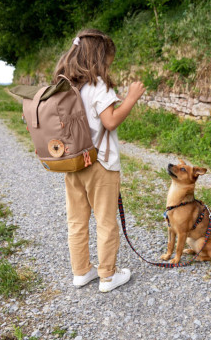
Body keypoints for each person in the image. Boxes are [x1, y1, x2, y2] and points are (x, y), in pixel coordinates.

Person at [53, 29, 145, 292]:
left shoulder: (65, 85)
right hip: (99, 163)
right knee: (105, 221)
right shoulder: (97, 86)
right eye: (107, 62)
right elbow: (111, 121)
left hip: (73, 163)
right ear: (98, 58)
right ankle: (107, 276)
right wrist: (130, 99)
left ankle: (81, 272)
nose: (107, 67)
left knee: (77, 221)